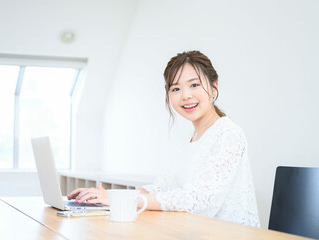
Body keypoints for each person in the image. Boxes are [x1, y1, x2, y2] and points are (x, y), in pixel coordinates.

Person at [68, 50, 260, 227]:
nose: (185, 95)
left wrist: (120, 200)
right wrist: (107, 195)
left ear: (214, 86)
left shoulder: (229, 134)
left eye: (194, 85)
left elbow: (198, 200)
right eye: (176, 89)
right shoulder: (193, 139)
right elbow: (160, 188)